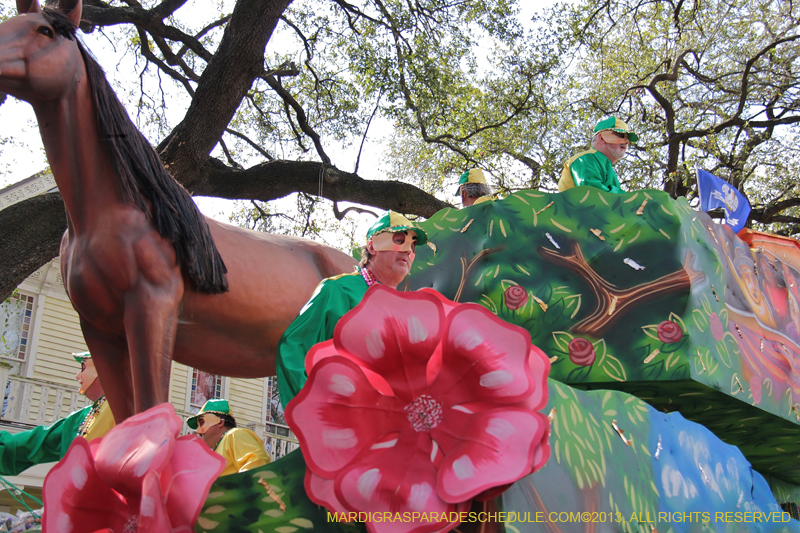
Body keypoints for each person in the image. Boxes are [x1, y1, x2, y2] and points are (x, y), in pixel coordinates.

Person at [276, 210, 428, 406]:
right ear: (372, 246)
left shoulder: (408, 314)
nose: (408, 250)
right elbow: (293, 349)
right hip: (343, 422)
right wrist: (313, 412)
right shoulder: (337, 290)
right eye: (399, 240)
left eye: (413, 246)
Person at [0, 352, 114, 475]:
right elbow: (39, 442)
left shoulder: (128, 405)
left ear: (102, 369)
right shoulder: (81, 418)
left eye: (83, 368)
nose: (77, 376)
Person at [187, 399, 272, 476]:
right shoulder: (217, 452)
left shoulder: (235, 435)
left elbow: (255, 469)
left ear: (220, 422)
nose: (197, 431)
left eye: (202, 422)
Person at [558, 116, 639, 194]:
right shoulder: (586, 159)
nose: (626, 142)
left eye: (628, 138)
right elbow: (594, 195)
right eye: (621, 135)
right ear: (602, 138)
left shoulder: (607, 166)